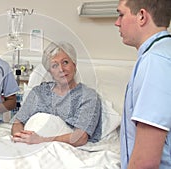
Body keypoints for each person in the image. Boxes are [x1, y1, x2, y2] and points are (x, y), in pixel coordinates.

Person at [11, 41, 102, 146]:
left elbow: (80, 137)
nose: (61, 69)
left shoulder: (88, 97)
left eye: (65, 62)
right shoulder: (38, 92)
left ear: (74, 65)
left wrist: (41, 141)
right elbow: (18, 123)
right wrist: (21, 138)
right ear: (50, 72)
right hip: (28, 146)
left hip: (64, 149)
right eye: (55, 65)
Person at [115, 0, 171, 168]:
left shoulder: (155, 61)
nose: (117, 23)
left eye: (121, 14)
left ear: (141, 16)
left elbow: (146, 161)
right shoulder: (164, 51)